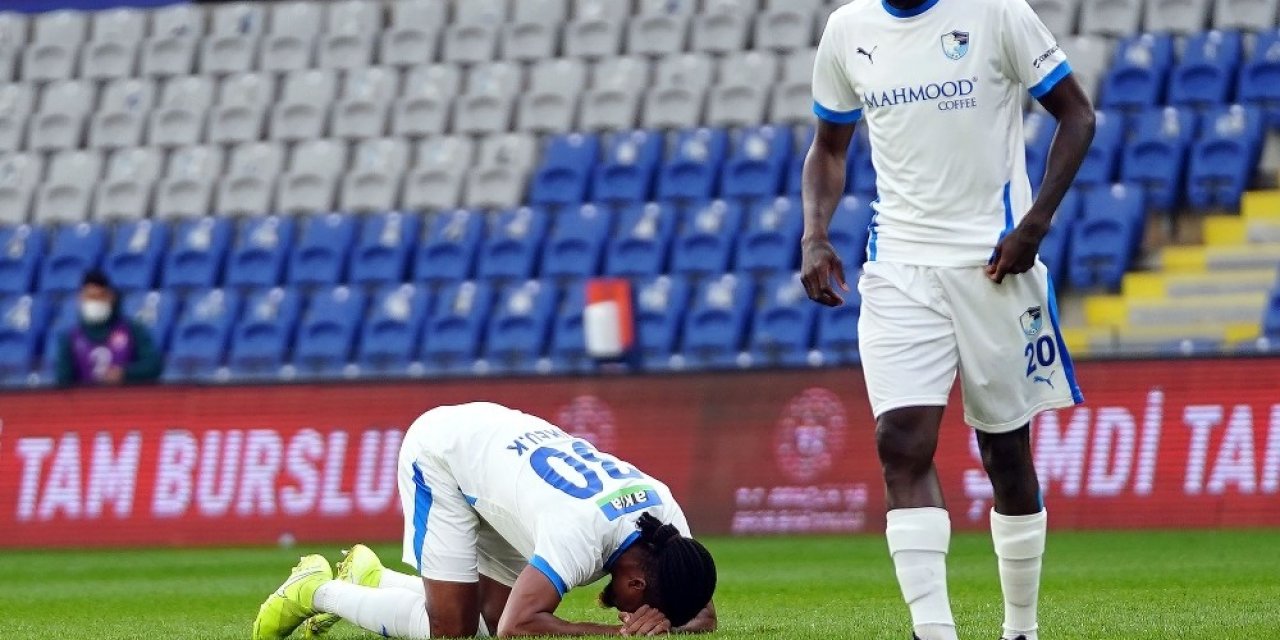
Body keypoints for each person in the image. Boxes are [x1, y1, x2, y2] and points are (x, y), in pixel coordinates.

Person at [799, 1, 1096, 639]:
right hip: (899, 267)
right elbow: (829, 145)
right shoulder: (848, 30)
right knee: (899, 444)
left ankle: (1021, 629)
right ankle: (934, 632)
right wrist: (814, 234)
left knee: (1005, 454)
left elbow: (1077, 113)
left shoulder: (995, 13)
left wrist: (1036, 223)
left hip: (995, 265)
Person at [253, 402, 717, 639]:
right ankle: (315, 589)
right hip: (444, 453)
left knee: (488, 619)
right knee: (452, 631)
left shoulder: (666, 523)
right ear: (635, 586)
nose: (639, 614)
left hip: (503, 447)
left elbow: (703, 613)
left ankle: (374, 577)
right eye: (644, 609)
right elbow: (520, 626)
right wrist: (618, 633)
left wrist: (671, 623)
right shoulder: (580, 535)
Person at [55, 269, 162, 386]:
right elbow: (63, 380)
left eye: (100, 297)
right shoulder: (70, 338)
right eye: (90, 297)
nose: (95, 302)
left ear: (111, 297)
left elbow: (153, 365)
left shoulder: (132, 329)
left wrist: (124, 373)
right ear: (80, 299)